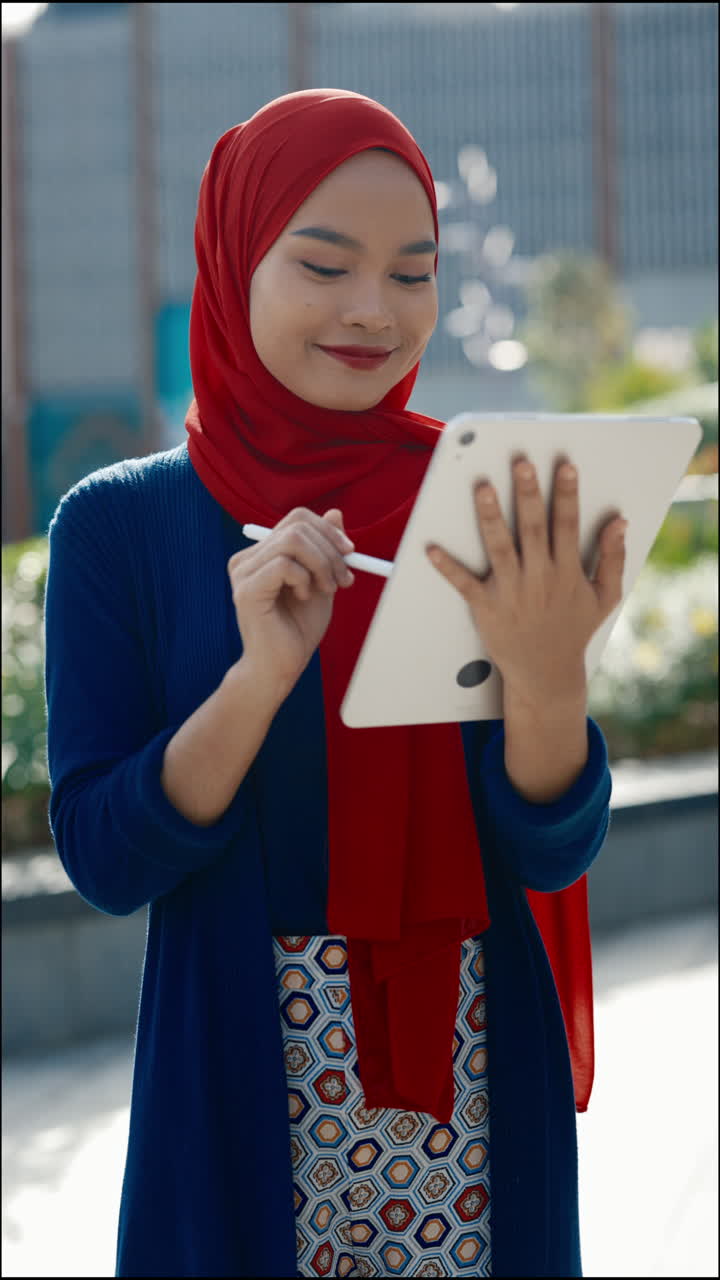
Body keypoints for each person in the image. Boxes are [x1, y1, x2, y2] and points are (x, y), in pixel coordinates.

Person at [44, 89, 626, 1279]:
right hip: (246, 1077)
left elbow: (551, 851)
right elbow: (106, 858)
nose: (375, 309)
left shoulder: (477, 503)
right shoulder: (122, 528)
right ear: (233, 259)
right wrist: (258, 678)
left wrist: (548, 672)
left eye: (414, 273)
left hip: (476, 1073)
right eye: (324, 264)